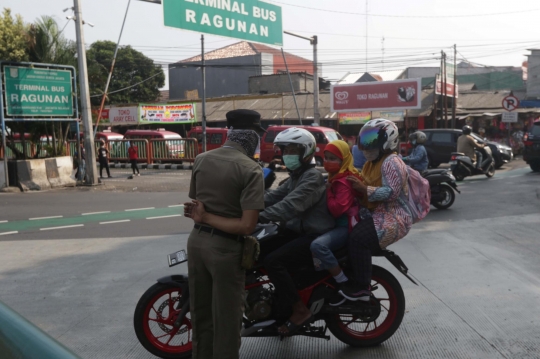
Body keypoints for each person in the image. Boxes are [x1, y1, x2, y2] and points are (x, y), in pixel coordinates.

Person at [183, 109, 266, 359]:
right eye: (258, 135)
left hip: (196, 243)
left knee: (202, 316)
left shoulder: (202, 159)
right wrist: (208, 216)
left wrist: (205, 217)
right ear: (251, 136)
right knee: (227, 322)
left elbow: (196, 201)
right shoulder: (251, 169)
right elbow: (246, 226)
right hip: (225, 250)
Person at [259, 128, 335, 335]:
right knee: (258, 250)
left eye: (293, 149)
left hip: (313, 236)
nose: (287, 154)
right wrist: (243, 205)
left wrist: (257, 216)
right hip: (296, 232)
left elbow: (289, 207)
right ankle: (277, 304)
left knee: (274, 261)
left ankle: (300, 311)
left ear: (306, 151)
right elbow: (273, 197)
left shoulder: (312, 178)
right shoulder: (295, 176)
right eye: (285, 150)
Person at [339, 119, 412, 302]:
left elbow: (391, 192)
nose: (367, 145)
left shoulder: (392, 162)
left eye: (373, 140)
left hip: (393, 217)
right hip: (375, 214)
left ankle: (362, 287)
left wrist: (364, 189)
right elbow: (362, 183)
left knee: (358, 239)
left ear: (389, 140)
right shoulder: (369, 164)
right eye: (365, 140)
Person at [310, 140, 363, 306]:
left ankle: (343, 282)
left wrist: (328, 191)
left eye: (333, 158)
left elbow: (336, 209)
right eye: (326, 157)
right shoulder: (335, 176)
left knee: (318, 246)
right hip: (337, 224)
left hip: (345, 226)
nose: (327, 161)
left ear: (344, 159)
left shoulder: (343, 181)